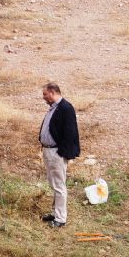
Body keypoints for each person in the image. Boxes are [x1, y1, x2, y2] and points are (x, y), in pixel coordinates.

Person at [38, 82, 80, 228]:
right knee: (53, 183)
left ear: (52, 92)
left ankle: (61, 218)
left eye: (45, 94)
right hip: (49, 150)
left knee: (59, 185)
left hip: (56, 152)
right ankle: (55, 213)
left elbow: (70, 133)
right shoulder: (54, 108)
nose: (43, 97)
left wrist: (62, 152)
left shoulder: (66, 108)